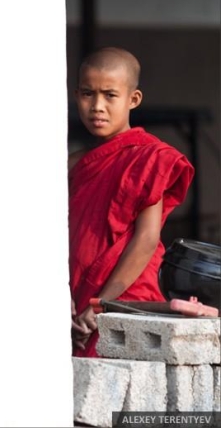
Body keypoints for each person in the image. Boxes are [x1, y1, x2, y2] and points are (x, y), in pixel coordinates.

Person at [68, 47, 194, 357]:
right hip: (76, 297)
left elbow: (146, 239)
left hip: (124, 296)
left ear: (133, 99)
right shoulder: (73, 164)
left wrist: (102, 303)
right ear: (76, 95)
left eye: (110, 95)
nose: (97, 106)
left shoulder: (148, 157)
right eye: (88, 94)